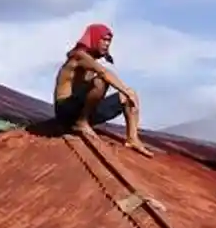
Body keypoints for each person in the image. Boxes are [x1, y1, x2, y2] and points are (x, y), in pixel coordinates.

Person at [53, 24, 153, 157]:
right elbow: (104, 72)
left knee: (129, 95)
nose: (107, 44)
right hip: (65, 111)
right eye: (103, 40)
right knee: (101, 81)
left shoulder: (91, 61)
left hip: (83, 110)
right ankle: (81, 123)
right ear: (93, 39)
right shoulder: (78, 56)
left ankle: (132, 139)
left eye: (109, 41)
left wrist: (128, 94)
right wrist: (124, 90)